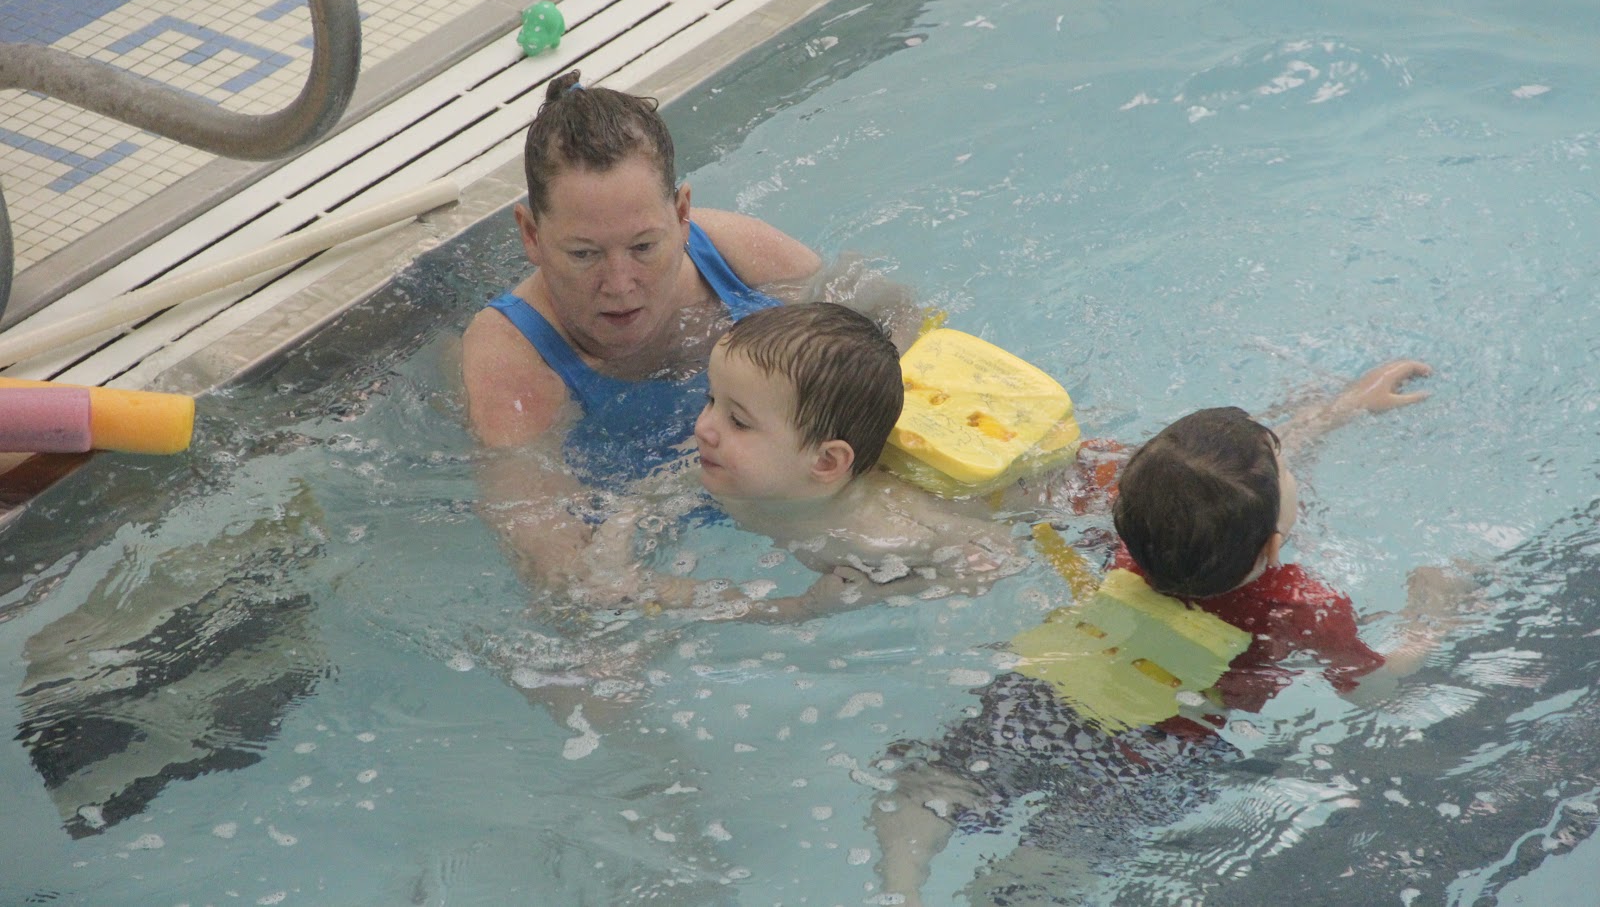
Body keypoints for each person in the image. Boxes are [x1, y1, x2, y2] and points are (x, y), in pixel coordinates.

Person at [869, 361, 1477, 905]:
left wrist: (1341, 408)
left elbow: (1223, 485)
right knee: (1056, 865)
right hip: (1159, 754)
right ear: (1272, 542)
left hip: (1049, 695)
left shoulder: (1120, 519)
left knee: (939, 780)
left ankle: (899, 886)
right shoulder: (1300, 606)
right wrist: (1431, 619)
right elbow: (1372, 690)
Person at [460, 71, 821, 602]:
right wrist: (769, 610)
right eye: (584, 254)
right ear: (531, 235)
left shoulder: (739, 261)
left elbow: (889, 334)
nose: (620, 285)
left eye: (644, 246)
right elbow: (569, 577)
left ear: (681, 214)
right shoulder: (513, 362)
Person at [687, 302, 1025, 599]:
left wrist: (859, 596)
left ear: (825, 461)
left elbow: (1000, 558)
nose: (703, 428)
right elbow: (646, 499)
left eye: (738, 422)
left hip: (1018, 492)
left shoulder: (877, 535)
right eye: (711, 400)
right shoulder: (731, 474)